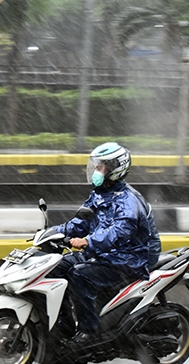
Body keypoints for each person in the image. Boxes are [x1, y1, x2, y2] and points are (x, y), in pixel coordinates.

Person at [51, 142, 161, 348]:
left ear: (115, 169)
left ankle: (89, 332)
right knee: (58, 267)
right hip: (106, 253)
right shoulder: (100, 194)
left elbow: (119, 232)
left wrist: (88, 241)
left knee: (79, 274)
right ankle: (64, 326)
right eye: (96, 166)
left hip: (129, 257)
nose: (96, 171)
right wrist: (52, 233)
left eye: (101, 167)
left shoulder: (129, 201)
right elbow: (80, 222)